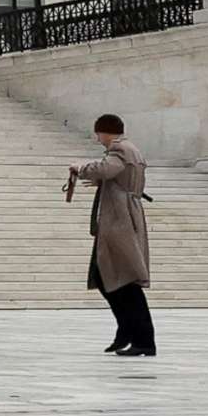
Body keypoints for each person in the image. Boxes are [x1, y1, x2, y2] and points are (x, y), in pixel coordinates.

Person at [67, 114, 154, 355]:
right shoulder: (130, 149)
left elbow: (107, 168)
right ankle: (125, 331)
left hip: (119, 222)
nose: (98, 139)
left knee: (125, 281)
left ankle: (143, 340)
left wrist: (82, 168)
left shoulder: (120, 150)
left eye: (98, 134)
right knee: (108, 278)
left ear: (106, 132)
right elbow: (119, 176)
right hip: (122, 217)